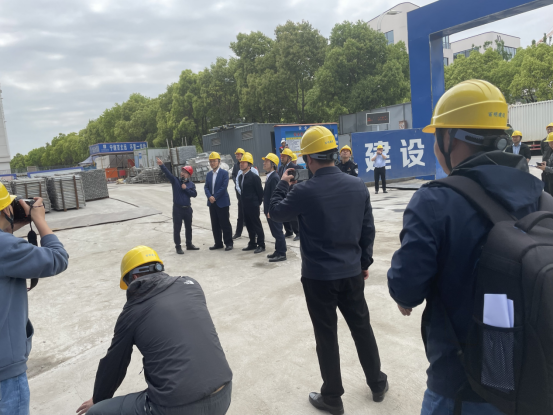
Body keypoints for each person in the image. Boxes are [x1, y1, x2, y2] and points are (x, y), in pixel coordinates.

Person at [387, 80, 544, 415]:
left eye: (436, 136)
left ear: (451, 138)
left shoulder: (435, 201)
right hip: (535, 382)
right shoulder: (542, 198)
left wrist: (403, 297)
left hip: (462, 388)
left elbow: (406, 289)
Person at [270, 126, 388, 415]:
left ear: (308, 158)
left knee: (326, 336)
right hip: (351, 272)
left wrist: (282, 184)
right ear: (334, 154)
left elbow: (275, 212)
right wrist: (364, 263)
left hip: (319, 277)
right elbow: (368, 229)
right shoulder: (357, 185)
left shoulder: (304, 190)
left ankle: (333, 397)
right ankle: (377, 383)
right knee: (362, 328)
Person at [77, 246, 233, 415]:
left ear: (134, 277)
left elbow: (114, 364)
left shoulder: (132, 311)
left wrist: (98, 398)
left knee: (97, 412)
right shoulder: (191, 285)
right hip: (224, 393)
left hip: (178, 408)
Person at [0, 184, 69, 415]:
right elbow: (58, 259)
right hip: (5, 371)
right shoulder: (5, 247)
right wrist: (39, 220)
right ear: (6, 210)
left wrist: (10, 226)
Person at [157, 158, 199, 254]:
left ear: (189, 175)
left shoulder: (191, 184)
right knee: (177, 229)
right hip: (177, 209)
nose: (183, 173)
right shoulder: (175, 181)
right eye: (182, 171)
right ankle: (178, 247)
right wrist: (161, 165)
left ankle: (189, 244)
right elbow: (168, 174)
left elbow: (194, 194)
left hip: (187, 209)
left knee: (188, 228)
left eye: (185, 172)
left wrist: (186, 189)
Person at [236, 152, 265, 254]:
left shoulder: (254, 177)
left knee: (256, 224)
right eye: (241, 162)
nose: (241, 164)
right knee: (248, 225)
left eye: (244, 162)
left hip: (253, 205)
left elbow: (260, 192)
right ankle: (252, 243)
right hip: (245, 205)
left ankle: (261, 244)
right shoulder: (240, 177)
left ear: (249, 165)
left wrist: (257, 203)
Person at [204, 152, 233, 251]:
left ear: (219, 162)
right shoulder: (209, 175)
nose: (212, 163)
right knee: (215, 224)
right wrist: (209, 196)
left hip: (222, 202)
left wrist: (214, 197)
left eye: (214, 161)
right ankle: (218, 243)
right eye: (211, 161)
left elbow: (223, 187)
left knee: (225, 223)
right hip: (212, 203)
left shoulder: (224, 173)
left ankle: (228, 243)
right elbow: (206, 187)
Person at [262, 153, 287, 262]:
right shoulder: (270, 176)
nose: (264, 163)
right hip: (269, 210)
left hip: (272, 210)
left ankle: (282, 253)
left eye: (266, 161)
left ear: (273, 164)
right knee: (275, 232)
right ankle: (278, 251)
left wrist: (271, 210)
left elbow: (275, 195)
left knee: (278, 231)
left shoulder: (274, 178)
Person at [278, 148, 299, 239]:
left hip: (292, 193)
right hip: (283, 192)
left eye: (284, 156)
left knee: (293, 214)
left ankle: (298, 232)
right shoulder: (281, 168)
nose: (282, 157)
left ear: (289, 158)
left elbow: (299, 181)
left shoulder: (295, 167)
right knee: (284, 212)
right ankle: (288, 231)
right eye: (281, 156)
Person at [540, 123, 553, 191]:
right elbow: (543, 152)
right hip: (547, 167)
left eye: (551, 129)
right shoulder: (543, 141)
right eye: (548, 129)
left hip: (550, 168)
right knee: (547, 187)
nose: (550, 130)